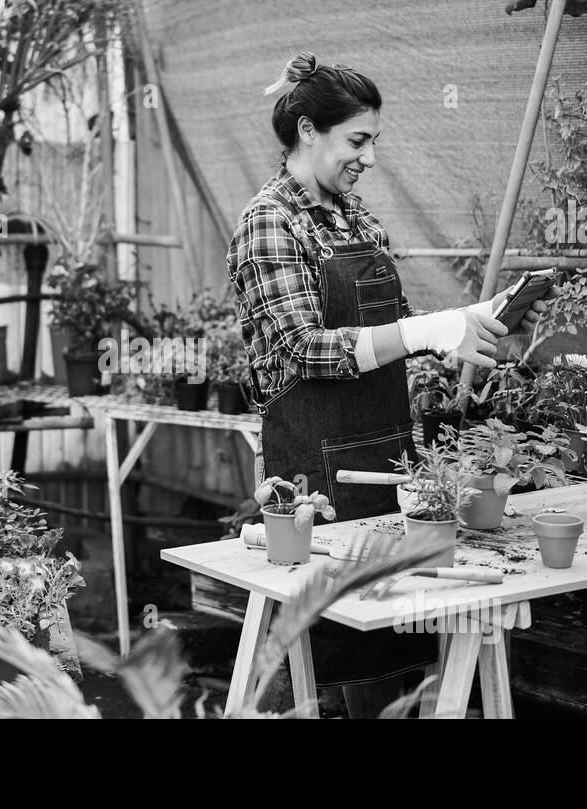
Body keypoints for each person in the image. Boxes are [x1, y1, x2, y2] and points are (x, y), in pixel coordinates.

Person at [226, 52, 555, 715]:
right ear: (307, 131)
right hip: (313, 476)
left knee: (401, 644)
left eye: (374, 140)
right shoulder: (270, 221)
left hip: (386, 461)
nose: (370, 159)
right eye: (358, 140)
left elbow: (388, 336)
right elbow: (302, 349)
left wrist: (477, 331)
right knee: (330, 648)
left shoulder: (358, 219)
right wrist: (428, 330)